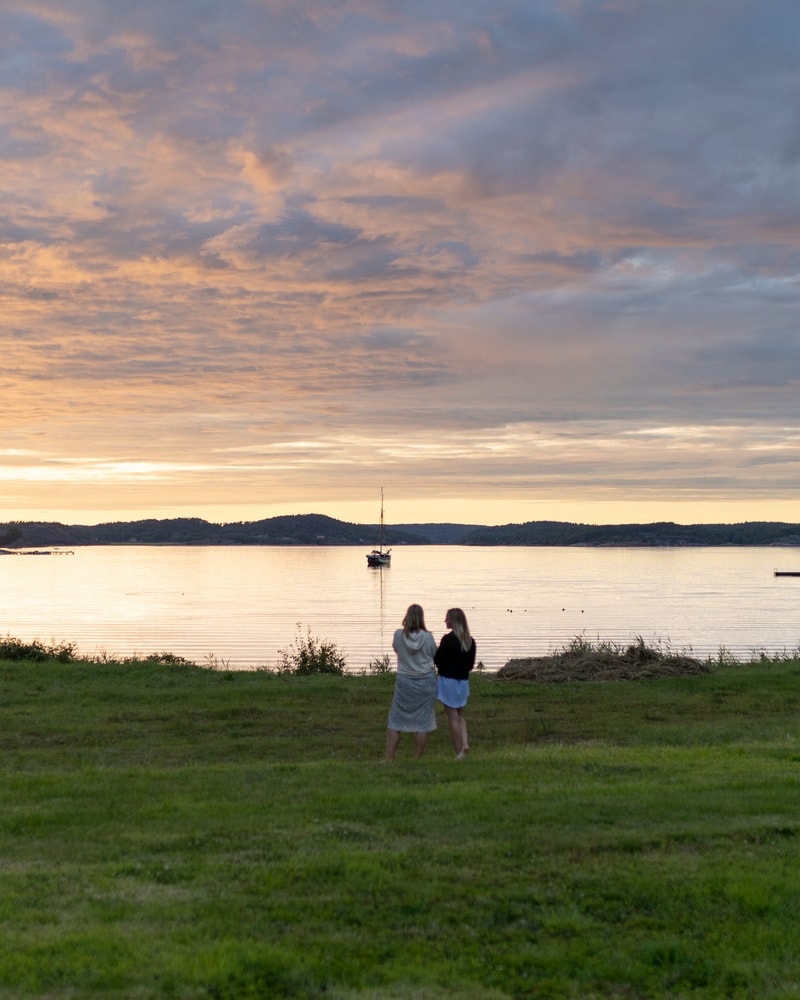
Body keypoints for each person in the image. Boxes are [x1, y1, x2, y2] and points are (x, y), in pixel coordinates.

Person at [386, 604, 438, 760]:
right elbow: (434, 654)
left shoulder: (398, 635)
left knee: (395, 720)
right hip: (425, 680)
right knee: (423, 721)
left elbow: (396, 649)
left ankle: (389, 757)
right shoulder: (428, 637)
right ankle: (416, 757)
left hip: (405, 681)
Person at [434, 608, 476, 759]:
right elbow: (470, 665)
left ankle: (458, 751)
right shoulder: (470, 641)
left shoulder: (447, 640)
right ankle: (464, 743)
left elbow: (438, 661)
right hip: (463, 683)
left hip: (448, 682)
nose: (445, 621)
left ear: (453, 621)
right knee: (459, 715)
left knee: (452, 717)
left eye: (447, 618)